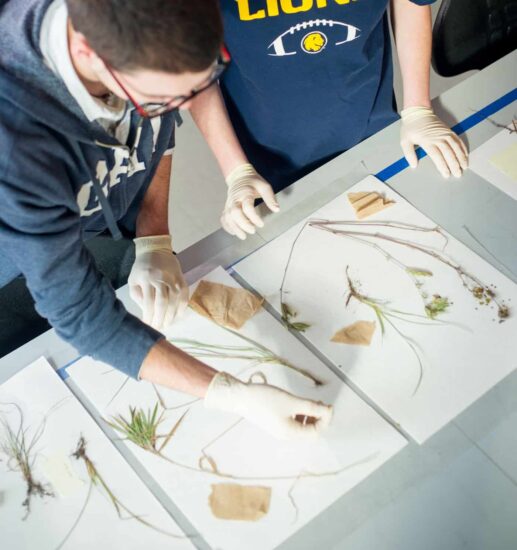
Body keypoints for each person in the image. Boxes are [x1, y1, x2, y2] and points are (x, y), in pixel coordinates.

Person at [0, 0, 332, 440]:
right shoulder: (17, 146)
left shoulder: (142, 48)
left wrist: (154, 236)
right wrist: (234, 395)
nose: (186, 105)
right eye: (160, 100)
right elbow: (80, 315)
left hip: (92, 217)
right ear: (86, 53)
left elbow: (157, 127)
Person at [189, 0, 469, 240]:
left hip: (370, 120)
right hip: (268, 152)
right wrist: (236, 170)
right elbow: (190, 62)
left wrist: (418, 109)